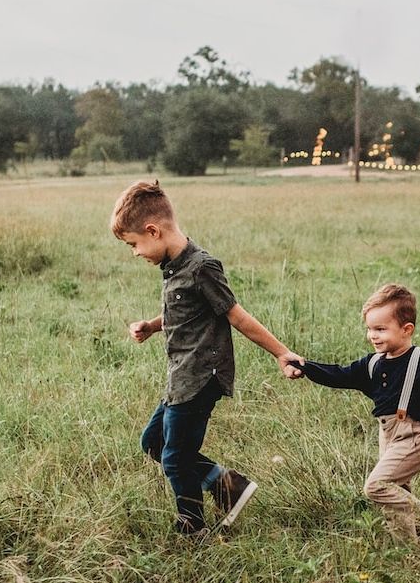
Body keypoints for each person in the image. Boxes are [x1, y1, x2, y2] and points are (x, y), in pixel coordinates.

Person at [111, 179, 301, 538]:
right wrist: (153, 326)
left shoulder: (202, 267)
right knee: (153, 443)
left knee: (175, 457)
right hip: (180, 377)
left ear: (153, 230)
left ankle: (192, 527)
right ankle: (227, 485)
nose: (135, 253)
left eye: (134, 244)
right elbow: (184, 314)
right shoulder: (174, 268)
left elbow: (236, 316)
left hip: (201, 377)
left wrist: (282, 353)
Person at [290, 283, 420, 548]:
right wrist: (306, 367)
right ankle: (409, 551)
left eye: (381, 329)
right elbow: (340, 375)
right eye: (370, 329)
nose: (373, 335)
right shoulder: (372, 363)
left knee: (376, 486)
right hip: (388, 436)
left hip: (414, 438)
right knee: (396, 496)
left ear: (407, 330)